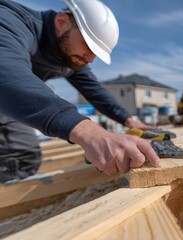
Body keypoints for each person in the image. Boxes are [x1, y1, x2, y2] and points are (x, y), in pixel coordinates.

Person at [0, 0, 160, 183]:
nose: (90, 59)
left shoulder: (71, 55)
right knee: (17, 161)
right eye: (89, 46)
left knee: (25, 158)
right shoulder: (9, 22)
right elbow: (6, 73)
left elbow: (95, 91)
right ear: (61, 22)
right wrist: (89, 132)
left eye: (96, 53)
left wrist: (128, 119)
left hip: (8, 104)